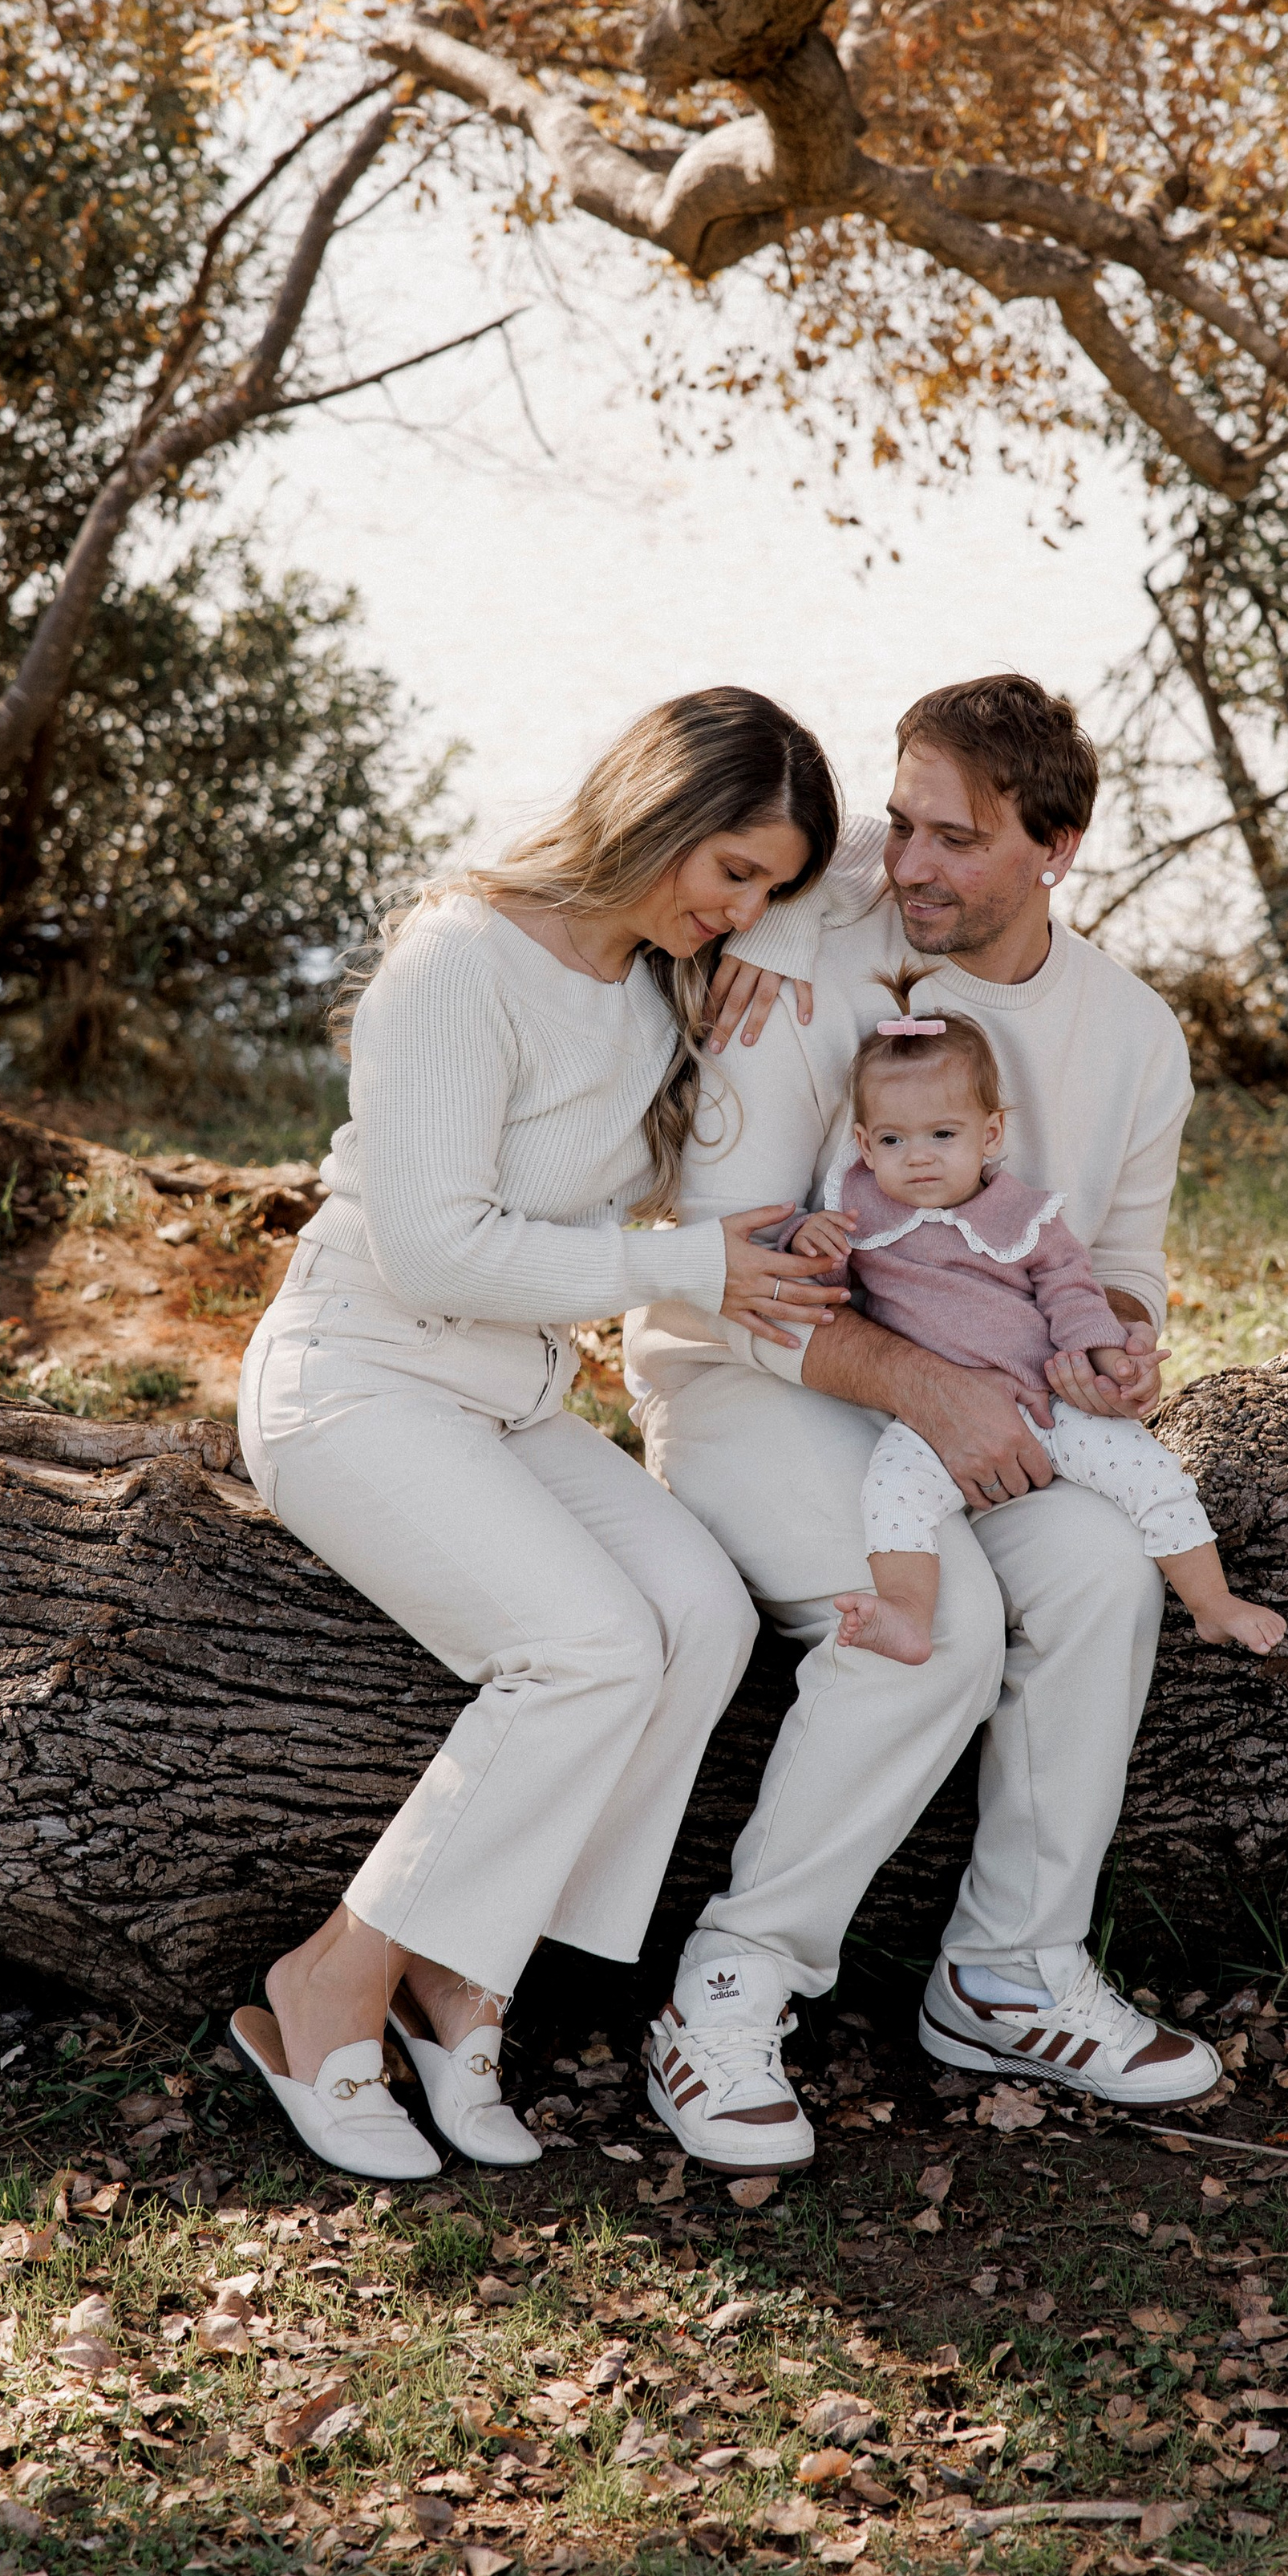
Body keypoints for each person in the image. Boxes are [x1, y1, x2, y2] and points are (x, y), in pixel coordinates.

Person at [233, 688, 847, 2179]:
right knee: (587, 1647)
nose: (743, 908)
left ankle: (471, 1971)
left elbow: (899, 852)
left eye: (769, 886)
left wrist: (764, 937)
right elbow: (438, 1252)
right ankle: (332, 1981)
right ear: (658, 812)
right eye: (734, 873)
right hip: (361, 1375)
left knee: (700, 1615)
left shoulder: (655, 981)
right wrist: (682, 1266)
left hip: (509, 1396)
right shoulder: (459, 957)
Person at [626, 672, 1229, 2175]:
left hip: (984, 1409)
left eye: (957, 840)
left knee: (1099, 1571)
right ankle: (728, 1987)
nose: (911, 867)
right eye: (901, 825)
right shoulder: (805, 955)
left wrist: (1120, 1361)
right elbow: (729, 1272)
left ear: (1057, 848)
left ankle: (1008, 1974)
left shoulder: (1138, 1039)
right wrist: (927, 1389)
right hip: (752, 1385)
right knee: (935, 1624)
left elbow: (1129, 1274)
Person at [770, 993, 1286, 1668]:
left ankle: (1212, 1603)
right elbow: (822, 1283)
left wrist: (1109, 1356)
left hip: (1051, 1398)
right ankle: (906, 1613)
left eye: (943, 1136)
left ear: (990, 1136)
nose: (918, 1158)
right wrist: (803, 1239)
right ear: (865, 1144)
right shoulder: (860, 1208)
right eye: (894, 1140)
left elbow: (1073, 1292)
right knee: (891, 1493)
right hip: (936, 1414)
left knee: (1150, 1472)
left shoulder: (1026, 1216)